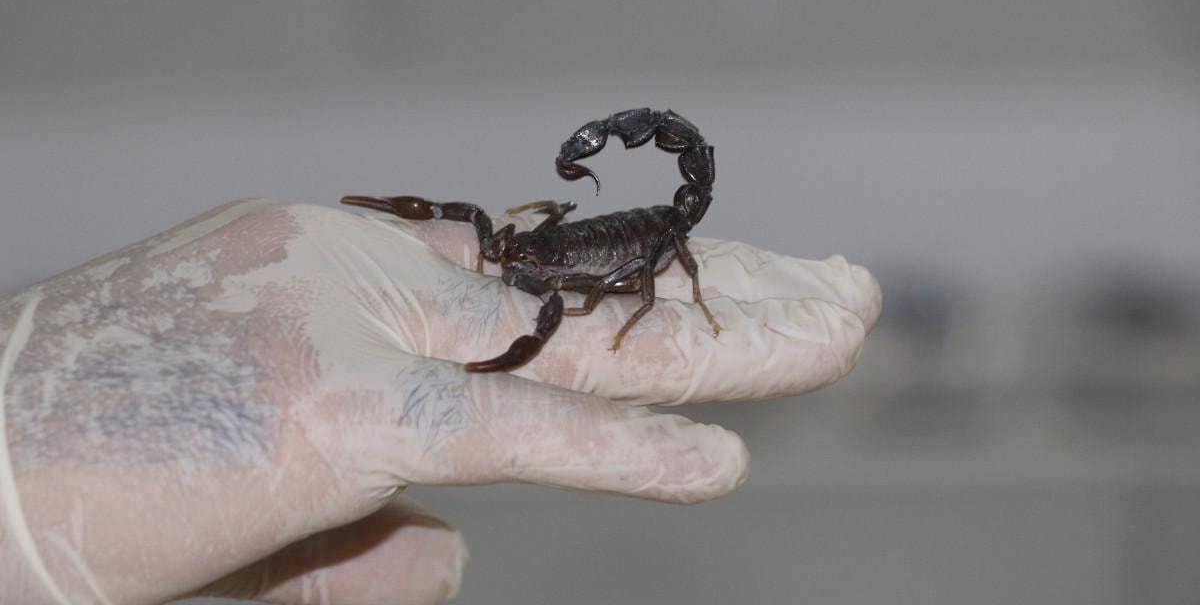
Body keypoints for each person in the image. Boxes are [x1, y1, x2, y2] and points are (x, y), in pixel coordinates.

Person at [0, 199, 881, 604]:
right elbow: (519, 232)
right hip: (585, 238)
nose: (510, 260)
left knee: (599, 306)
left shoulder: (584, 257)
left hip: (625, 246)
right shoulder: (528, 243)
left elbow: (610, 284)